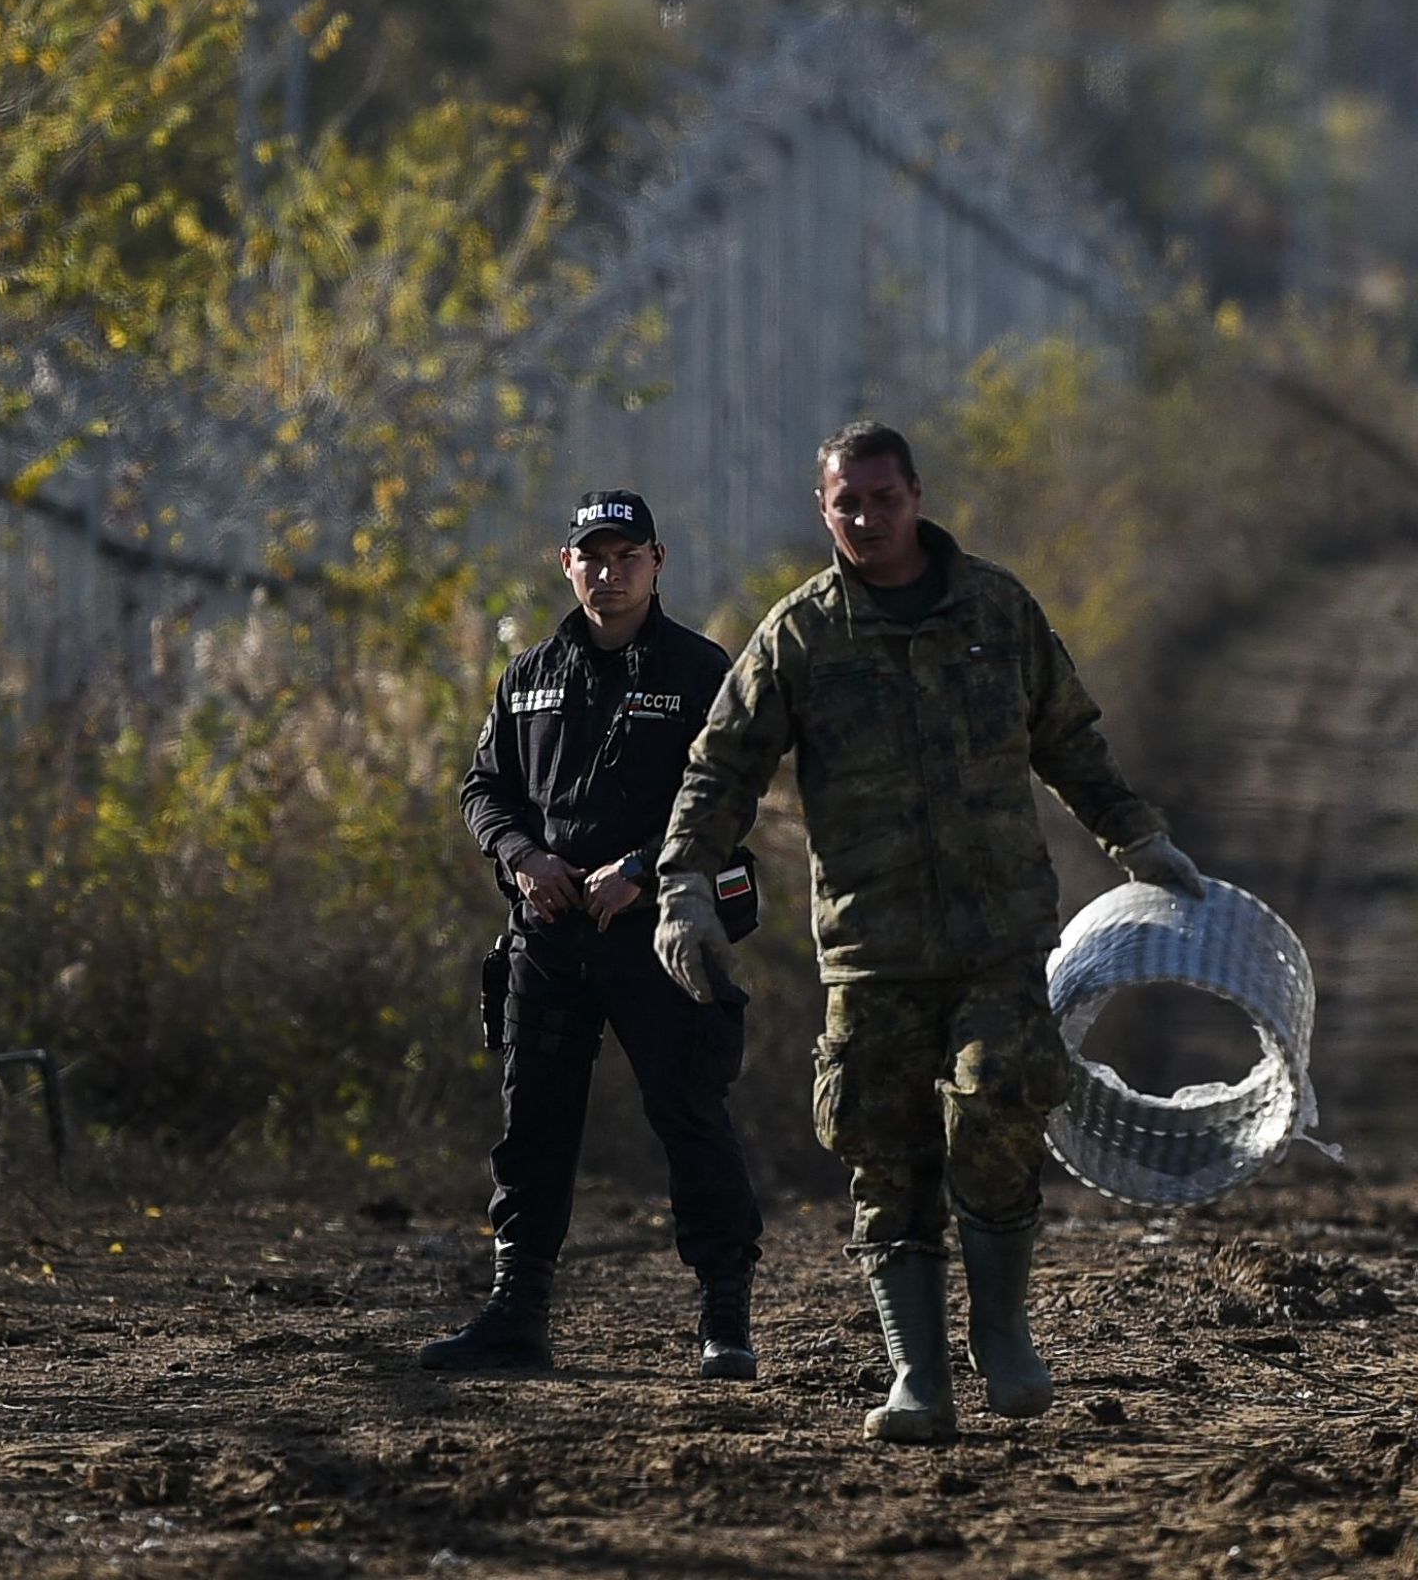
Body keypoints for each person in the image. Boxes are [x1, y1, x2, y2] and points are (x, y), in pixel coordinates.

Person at [653, 422, 1203, 1442]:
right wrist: (684, 883)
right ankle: (918, 1377)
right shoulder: (801, 637)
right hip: (873, 946)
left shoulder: (997, 609)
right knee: (885, 1154)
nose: (867, 518)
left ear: (917, 495)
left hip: (999, 931)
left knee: (998, 1103)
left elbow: (1067, 736)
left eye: (883, 498)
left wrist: (1137, 838)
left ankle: (1003, 1340)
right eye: (846, 504)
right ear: (825, 511)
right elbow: (721, 768)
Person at [422, 490, 763, 1379]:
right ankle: (515, 1314)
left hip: (662, 935)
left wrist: (644, 867)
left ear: (657, 561)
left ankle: (725, 1318)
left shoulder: (698, 670)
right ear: (565, 564)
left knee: (690, 1115)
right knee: (531, 1125)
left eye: (626, 558)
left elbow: (729, 795)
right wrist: (524, 858)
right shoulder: (530, 672)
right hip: (550, 934)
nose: (608, 576)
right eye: (592, 558)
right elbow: (483, 789)